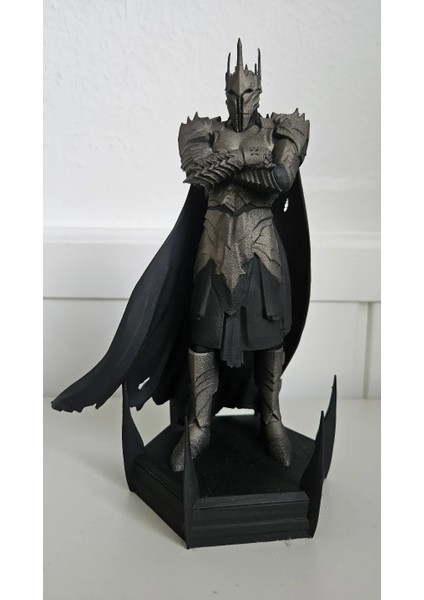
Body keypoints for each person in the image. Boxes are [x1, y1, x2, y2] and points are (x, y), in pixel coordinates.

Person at [170, 39, 309, 470]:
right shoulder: (202, 130)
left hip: (260, 244)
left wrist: (228, 164)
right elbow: (198, 173)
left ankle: (271, 418)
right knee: (202, 337)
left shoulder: (284, 128)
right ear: (225, 92)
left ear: (259, 92)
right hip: (214, 243)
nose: (240, 100)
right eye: (233, 93)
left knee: (268, 336)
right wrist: (249, 159)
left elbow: (281, 179)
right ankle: (199, 426)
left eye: (248, 92)